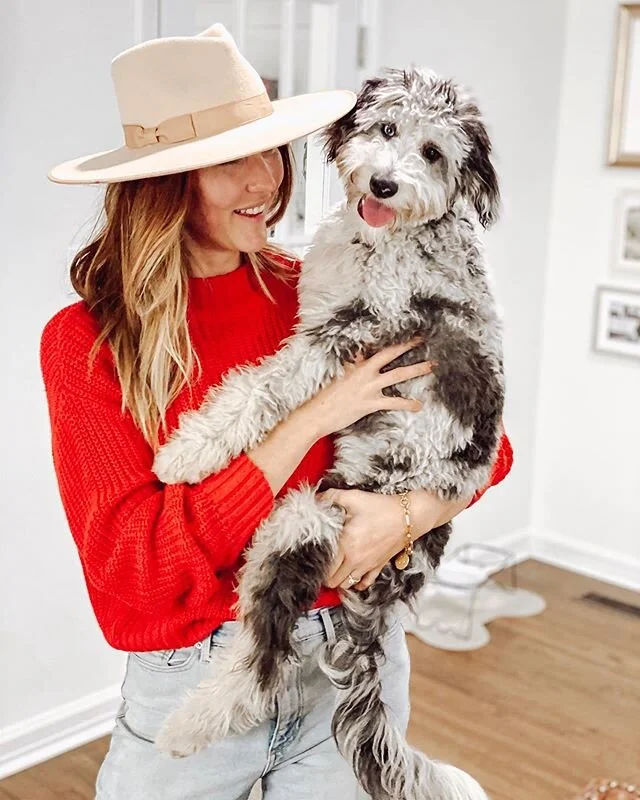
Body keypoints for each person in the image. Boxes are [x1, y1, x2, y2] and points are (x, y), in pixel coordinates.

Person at [40, 23, 513, 800]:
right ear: (164, 183)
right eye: (232, 162)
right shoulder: (85, 344)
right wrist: (315, 414)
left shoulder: (314, 277)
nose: (267, 181)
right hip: (199, 675)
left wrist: (403, 516)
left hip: (349, 659)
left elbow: (487, 442)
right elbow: (137, 571)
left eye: (274, 151)